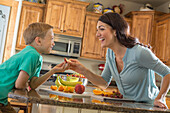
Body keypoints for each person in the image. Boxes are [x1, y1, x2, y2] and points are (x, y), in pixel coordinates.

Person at [65, 13, 170, 108]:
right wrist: (83, 70)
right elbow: (104, 83)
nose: (97, 34)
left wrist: (160, 98)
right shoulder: (110, 54)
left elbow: (167, 73)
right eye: (97, 30)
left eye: (101, 29)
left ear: (115, 31)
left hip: (150, 108)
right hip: (127, 107)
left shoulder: (139, 52)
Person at [0, 22, 66, 113]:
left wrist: (53, 71)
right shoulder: (32, 54)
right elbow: (19, 85)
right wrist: (24, 85)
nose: (53, 43)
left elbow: (33, 84)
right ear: (38, 41)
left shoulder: (36, 56)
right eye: (51, 39)